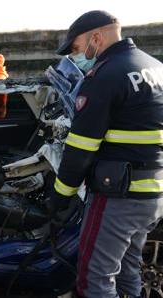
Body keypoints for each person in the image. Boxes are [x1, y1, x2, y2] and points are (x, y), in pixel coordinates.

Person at [47, 10, 163, 298]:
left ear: (96, 38)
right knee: (127, 269)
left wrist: (61, 196)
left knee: (94, 280)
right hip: (152, 193)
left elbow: (81, 148)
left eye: (76, 49)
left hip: (118, 198)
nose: (75, 57)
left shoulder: (105, 75)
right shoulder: (155, 67)